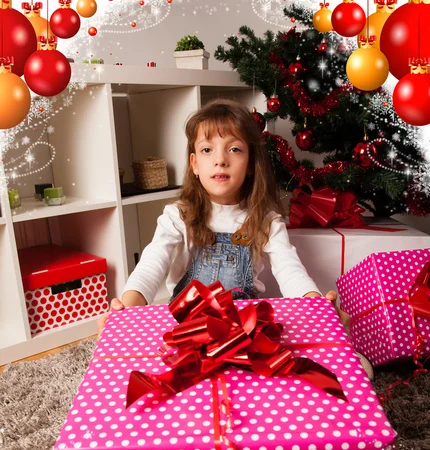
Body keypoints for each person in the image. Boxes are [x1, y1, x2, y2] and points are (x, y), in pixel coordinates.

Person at [98, 98, 351, 341]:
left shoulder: (266, 221)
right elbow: (152, 264)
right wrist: (124, 311)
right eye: (207, 150)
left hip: (243, 328)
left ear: (250, 163)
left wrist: (318, 307)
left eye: (234, 149)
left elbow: (289, 270)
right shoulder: (178, 215)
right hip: (186, 325)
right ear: (194, 164)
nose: (220, 160)